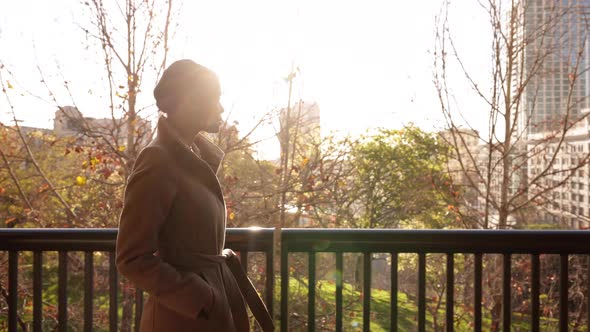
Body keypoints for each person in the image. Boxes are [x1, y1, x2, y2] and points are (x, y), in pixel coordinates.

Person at [116, 60, 273, 331]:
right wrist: (200, 297)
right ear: (190, 100)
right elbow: (131, 258)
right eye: (216, 97)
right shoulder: (158, 159)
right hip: (181, 319)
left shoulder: (191, 156)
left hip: (205, 312)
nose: (221, 107)